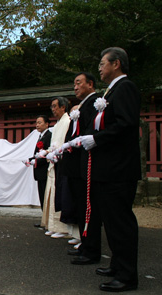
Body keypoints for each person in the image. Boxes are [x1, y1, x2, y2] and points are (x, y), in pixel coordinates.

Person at [79, 47, 141, 292]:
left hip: (119, 169)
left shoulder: (125, 88)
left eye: (103, 64)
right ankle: (117, 265)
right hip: (108, 168)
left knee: (120, 222)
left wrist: (98, 139)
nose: (100, 68)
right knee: (112, 222)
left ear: (116, 64)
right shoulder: (112, 90)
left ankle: (127, 276)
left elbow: (126, 125)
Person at [62, 72, 102, 264]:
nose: (75, 87)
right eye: (74, 84)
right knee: (80, 207)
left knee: (87, 208)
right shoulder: (83, 105)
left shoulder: (94, 103)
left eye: (79, 83)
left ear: (90, 84)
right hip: (76, 166)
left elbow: (89, 132)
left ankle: (91, 249)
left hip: (84, 164)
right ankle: (85, 245)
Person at [40, 97, 71, 238]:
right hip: (53, 162)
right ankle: (52, 225)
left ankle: (61, 227)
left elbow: (64, 143)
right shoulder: (58, 123)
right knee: (51, 193)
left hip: (61, 161)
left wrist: (51, 152)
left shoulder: (67, 121)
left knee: (59, 194)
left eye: (55, 106)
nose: (53, 109)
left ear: (63, 107)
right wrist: (48, 151)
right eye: (51, 107)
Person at [30, 115, 52, 217]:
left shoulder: (49, 136)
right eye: (36, 123)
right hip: (39, 172)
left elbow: (48, 153)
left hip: (45, 171)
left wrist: (37, 162)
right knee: (42, 196)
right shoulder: (41, 136)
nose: (37, 125)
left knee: (46, 197)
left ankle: (47, 221)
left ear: (47, 124)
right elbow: (38, 153)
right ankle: (44, 219)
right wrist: (30, 159)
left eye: (39, 122)